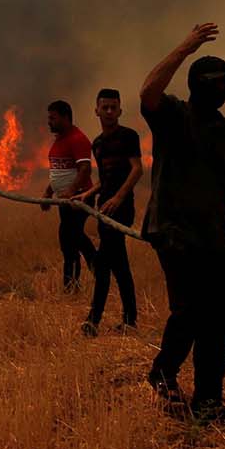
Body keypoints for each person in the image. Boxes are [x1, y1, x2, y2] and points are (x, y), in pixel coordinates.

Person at [139, 23, 225, 423]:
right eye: (215, 82)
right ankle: (163, 374)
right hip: (173, 233)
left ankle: (208, 401)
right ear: (200, 85)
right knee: (190, 312)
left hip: (213, 239)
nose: (221, 89)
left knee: (219, 318)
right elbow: (147, 92)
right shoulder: (173, 116)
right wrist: (185, 46)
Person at [76, 89, 142, 336]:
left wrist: (118, 197)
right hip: (103, 208)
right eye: (105, 108)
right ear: (97, 111)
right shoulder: (98, 144)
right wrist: (88, 194)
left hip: (122, 209)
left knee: (103, 264)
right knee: (120, 264)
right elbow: (105, 179)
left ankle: (94, 321)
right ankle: (129, 320)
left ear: (120, 110)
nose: (110, 112)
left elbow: (137, 170)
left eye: (114, 107)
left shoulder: (129, 136)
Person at [39, 100, 97, 297]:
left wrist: (72, 191)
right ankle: (78, 281)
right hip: (65, 200)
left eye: (52, 118)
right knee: (70, 238)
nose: (49, 122)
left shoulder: (77, 139)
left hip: (80, 198)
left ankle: (82, 279)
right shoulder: (60, 139)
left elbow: (85, 169)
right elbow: (59, 171)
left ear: (65, 117)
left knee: (70, 237)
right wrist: (48, 192)